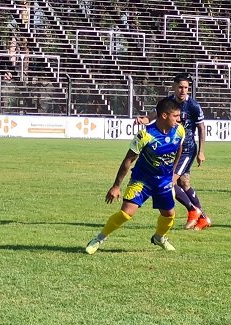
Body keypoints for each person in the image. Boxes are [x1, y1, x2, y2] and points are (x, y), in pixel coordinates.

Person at [85, 97, 185, 254]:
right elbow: (128, 160)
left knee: (169, 215)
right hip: (142, 180)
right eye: (176, 116)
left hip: (164, 180)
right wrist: (116, 186)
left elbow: (179, 148)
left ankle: (159, 237)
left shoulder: (179, 130)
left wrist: (172, 173)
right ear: (164, 115)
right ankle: (98, 238)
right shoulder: (145, 135)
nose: (179, 119)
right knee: (126, 213)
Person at [135, 74, 211, 231]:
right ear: (174, 87)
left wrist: (201, 151)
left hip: (187, 149)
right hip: (173, 149)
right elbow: (155, 115)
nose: (183, 90)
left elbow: (201, 128)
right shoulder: (168, 102)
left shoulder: (193, 106)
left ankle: (193, 211)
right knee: (184, 184)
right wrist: (145, 120)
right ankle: (203, 218)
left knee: (169, 182)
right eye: (181, 87)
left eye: (186, 88)